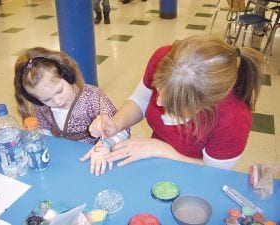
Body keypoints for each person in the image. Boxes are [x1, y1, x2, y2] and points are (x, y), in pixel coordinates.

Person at [89, 35, 263, 170]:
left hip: (192, 174)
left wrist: (160, 150)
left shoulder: (233, 119)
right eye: (159, 88)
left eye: (173, 103)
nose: (157, 101)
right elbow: (140, 100)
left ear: (204, 105)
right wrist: (116, 124)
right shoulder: (164, 58)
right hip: (153, 157)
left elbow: (214, 173)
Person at [14, 47, 129, 176]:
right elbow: (43, 131)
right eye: (46, 99)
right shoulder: (41, 106)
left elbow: (123, 129)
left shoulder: (93, 97)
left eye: (59, 91)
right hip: (65, 164)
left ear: (69, 75)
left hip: (96, 162)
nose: (57, 101)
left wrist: (106, 144)